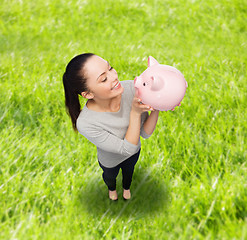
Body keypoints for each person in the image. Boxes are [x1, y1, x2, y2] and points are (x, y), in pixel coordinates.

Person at [62, 53, 159, 201]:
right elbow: (127, 148)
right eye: (104, 79)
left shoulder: (133, 88)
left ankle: (126, 188)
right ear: (88, 94)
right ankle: (111, 189)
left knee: (129, 172)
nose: (114, 76)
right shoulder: (86, 123)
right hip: (110, 160)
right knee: (110, 177)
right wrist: (135, 112)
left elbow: (145, 133)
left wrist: (158, 105)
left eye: (110, 68)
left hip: (133, 154)